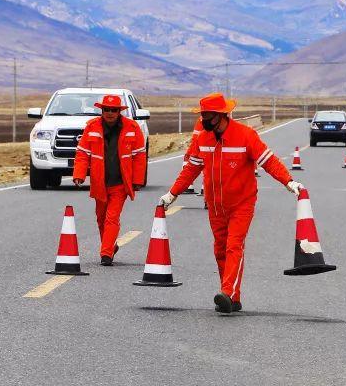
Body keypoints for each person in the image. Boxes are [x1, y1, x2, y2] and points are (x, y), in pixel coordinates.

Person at [159, 93, 302, 314]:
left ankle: (226, 292)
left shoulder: (246, 136)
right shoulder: (203, 139)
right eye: (202, 114)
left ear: (220, 115)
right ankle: (233, 297)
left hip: (241, 204)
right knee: (219, 249)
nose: (203, 119)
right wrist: (172, 194)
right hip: (215, 206)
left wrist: (289, 182)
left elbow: (269, 161)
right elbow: (191, 169)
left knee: (234, 245)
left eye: (206, 115)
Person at [72, 94, 147, 266]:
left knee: (112, 218)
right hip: (100, 183)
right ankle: (110, 246)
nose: (110, 113)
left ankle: (106, 254)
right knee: (100, 217)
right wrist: (79, 174)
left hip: (121, 183)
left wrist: (137, 180)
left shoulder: (132, 127)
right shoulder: (91, 127)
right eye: (107, 109)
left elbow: (139, 156)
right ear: (102, 110)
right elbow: (83, 153)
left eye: (114, 110)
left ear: (119, 111)